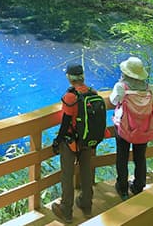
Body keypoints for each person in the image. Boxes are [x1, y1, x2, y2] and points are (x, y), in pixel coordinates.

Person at [52, 64, 94, 223]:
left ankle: (66, 210)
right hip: (87, 140)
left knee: (67, 174)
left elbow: (66, 121)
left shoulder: (70, 97)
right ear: (82, 76)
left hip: (71, 141)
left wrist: (57, 140)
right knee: (85, 171)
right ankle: (86, 204)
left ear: (69, 77)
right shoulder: (91, 92)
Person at [110, 56, 151, 199]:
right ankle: (139, 185)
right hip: (143, 126)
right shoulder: (148, 87)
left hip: (124, 127)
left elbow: (114, 100)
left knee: (122, 156)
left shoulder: (121, 87)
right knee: (140, 157)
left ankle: (122, 188)